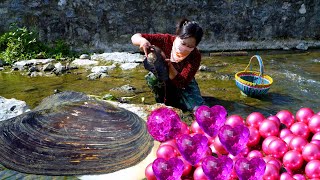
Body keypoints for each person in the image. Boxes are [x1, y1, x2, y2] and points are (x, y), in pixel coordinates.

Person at [131, 18, 204, 112]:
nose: (185, 48)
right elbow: (135, 37)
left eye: (190, 46)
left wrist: (170, 67)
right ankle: (163, 101)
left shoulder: (195, 55)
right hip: (163, 77)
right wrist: (142, 41)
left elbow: (183, 82)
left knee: (198, 109)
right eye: (183, 43)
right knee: (153, 79)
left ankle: (180, 99)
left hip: (183, 81)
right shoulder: (166, 40)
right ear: (178, 36)